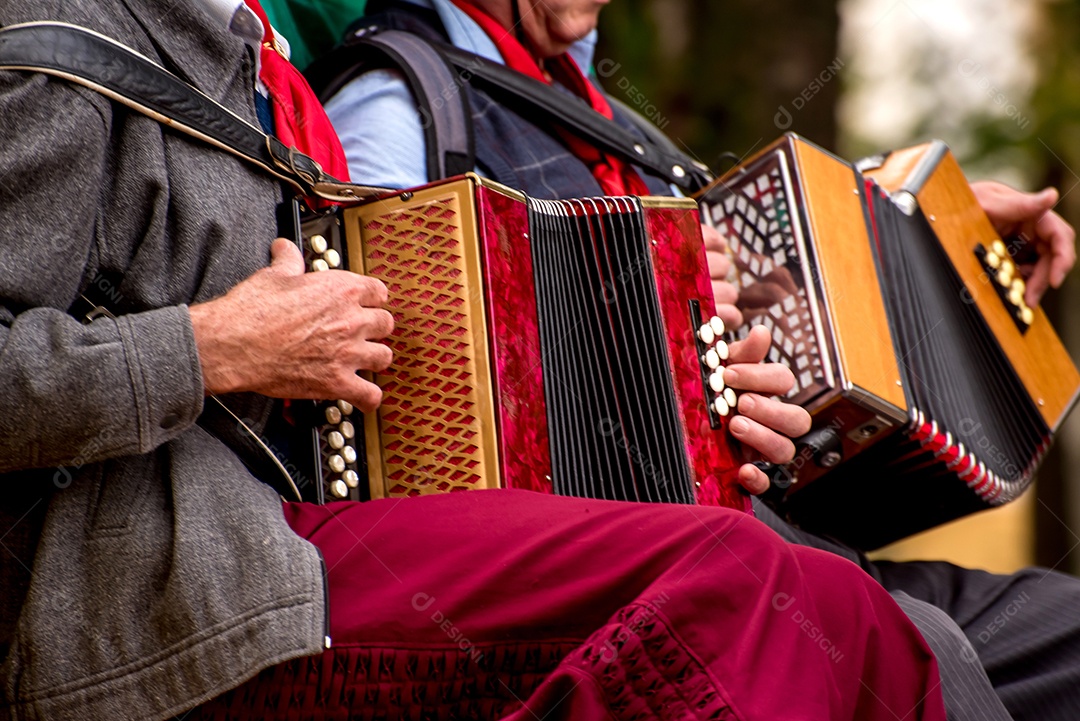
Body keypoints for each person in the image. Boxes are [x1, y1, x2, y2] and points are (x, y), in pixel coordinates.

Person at [0, 1, 950, 720]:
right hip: (169, 586)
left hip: (307, 532)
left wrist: (690, 406)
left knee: (844, 614)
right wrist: (214, 347)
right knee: (755, 587)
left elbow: (382, 360)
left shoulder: (246, 54)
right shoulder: (59, 45)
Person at [320, 1, 1080, 719]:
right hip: (627, 586)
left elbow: (752, 299)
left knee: (1066, 628)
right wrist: (647, 357)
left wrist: (938, 238)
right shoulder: (399, 103)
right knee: (925, 651)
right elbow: (403, 434)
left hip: (775, 542)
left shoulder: (612, 124)